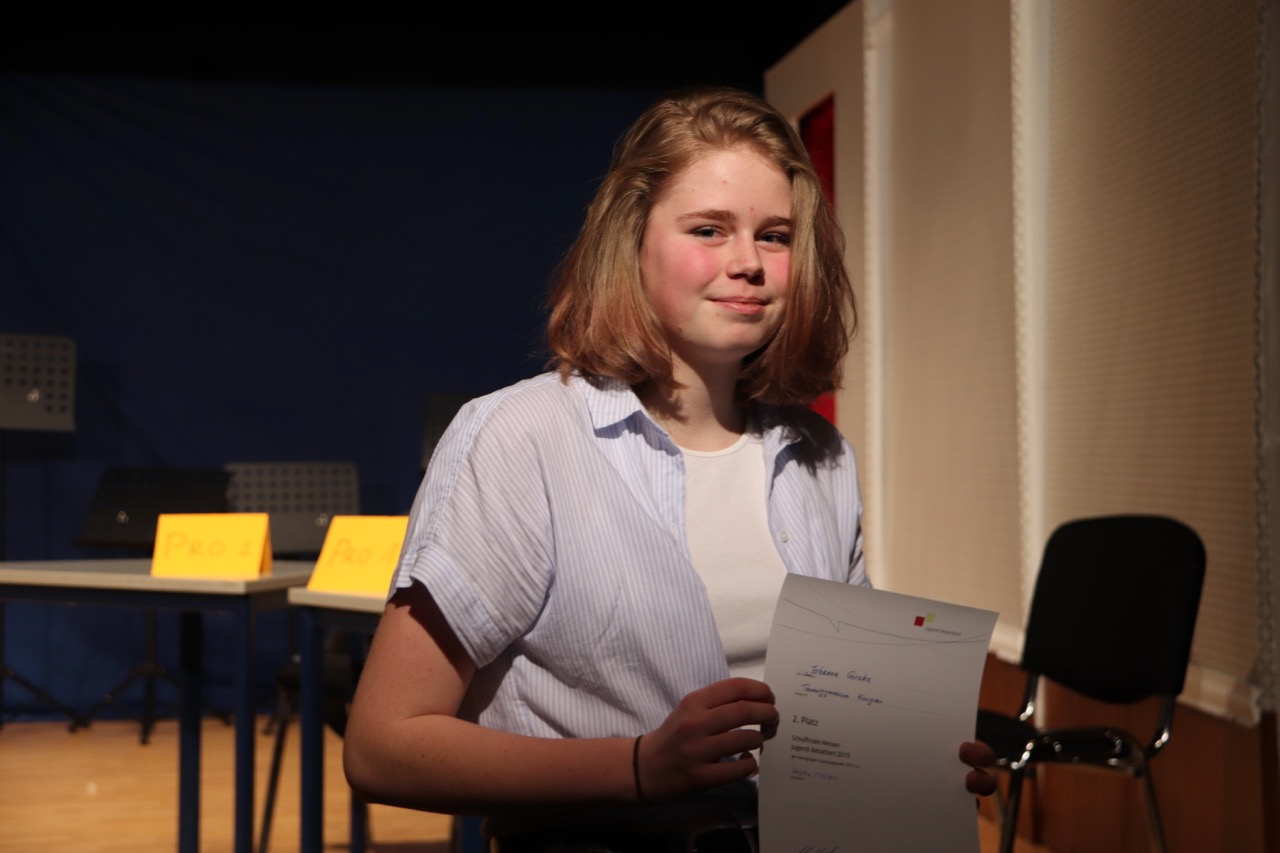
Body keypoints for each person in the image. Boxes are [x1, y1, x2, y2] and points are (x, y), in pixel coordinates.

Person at [343, 86, 995, 852]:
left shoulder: (821, 456)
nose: (748, 263)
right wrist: (638, 765)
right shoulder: (521, 437)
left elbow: (838, 719)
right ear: (632, 242)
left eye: (775, 236)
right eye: (709, 229)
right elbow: (383, 744)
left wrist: (910, 761)